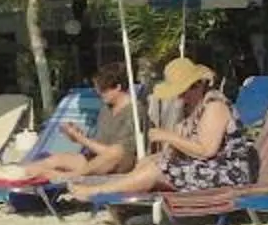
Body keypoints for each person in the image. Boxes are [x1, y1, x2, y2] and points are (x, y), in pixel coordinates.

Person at [65, 58, 255, 200]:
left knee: (156, 170)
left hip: (227, 173)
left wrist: (168, 136)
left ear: (195, 86)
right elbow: (189, 147)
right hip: (206, 168)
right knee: (148, 162)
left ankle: (98, 192)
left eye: (181, 92)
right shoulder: (193, 108)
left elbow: (207, 150)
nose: (179, 98)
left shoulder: (214, 105)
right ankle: (127, 199)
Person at [0, 63, 141, 184]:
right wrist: (77, 137)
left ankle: (71, 177)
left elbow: (118, 153)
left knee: (115, 152)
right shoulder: (106, 109)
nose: (99, 94)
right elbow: (99, 146)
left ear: (118, 87)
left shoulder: (134, 111)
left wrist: (82, 140)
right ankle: (13, 174)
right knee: (56, 160)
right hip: (95, 162)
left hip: (121, 164)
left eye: (102, 90)